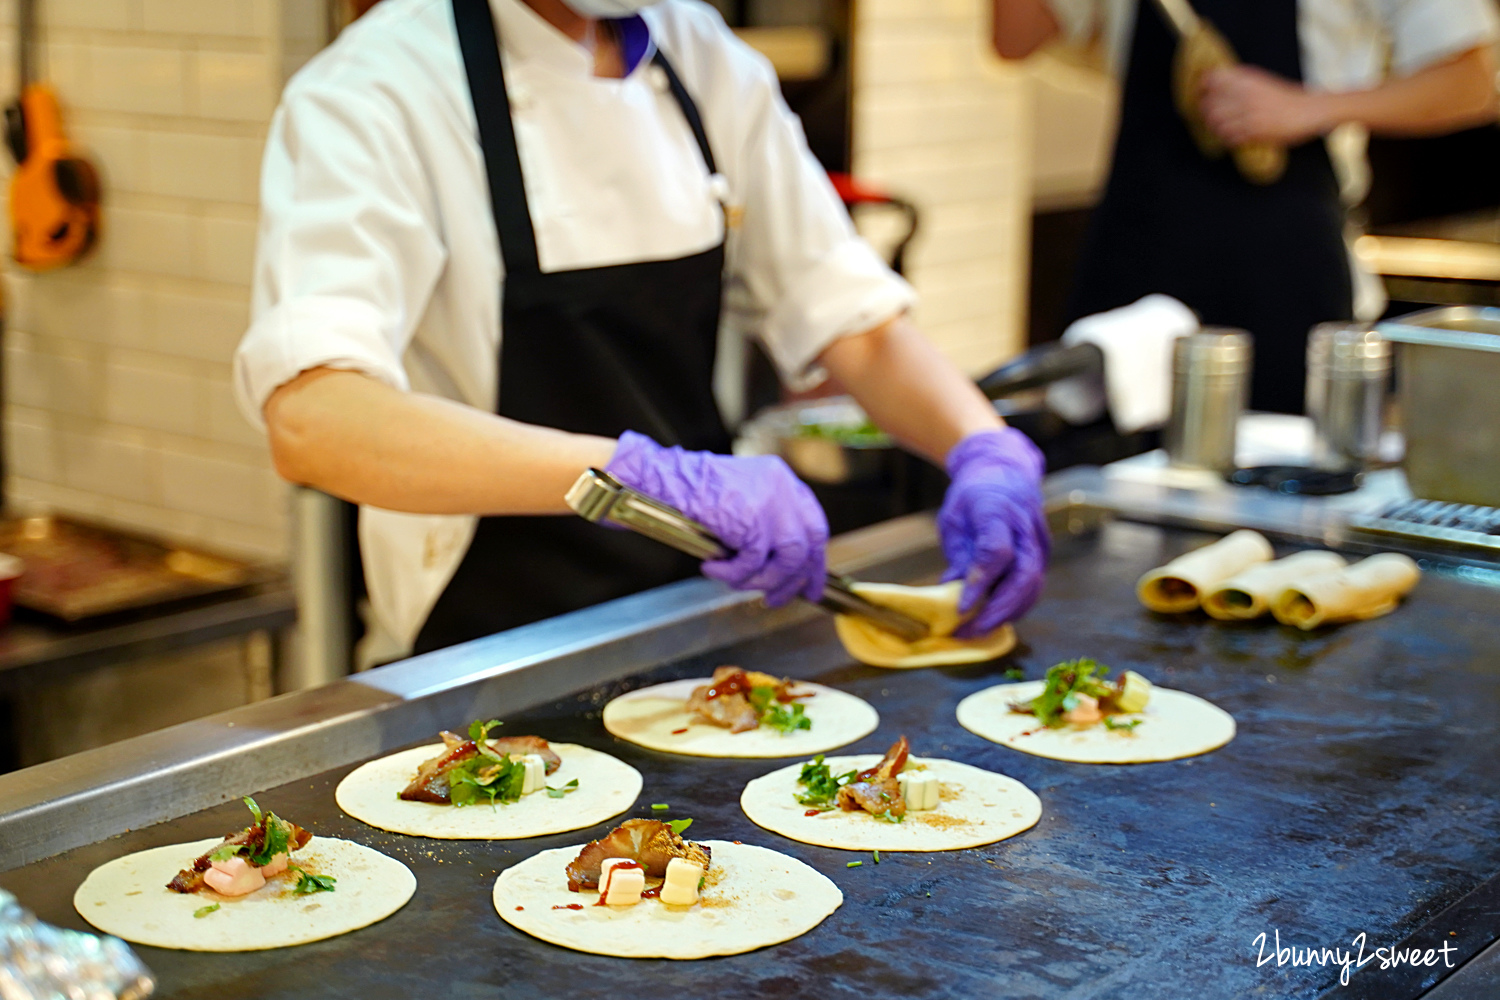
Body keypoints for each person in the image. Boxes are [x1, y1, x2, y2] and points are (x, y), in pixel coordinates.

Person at [234, 0, 1050, 658]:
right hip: (485, 652)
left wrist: (983, 445)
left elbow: (855, 325)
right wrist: (636, 477)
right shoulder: (377, 91)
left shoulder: (704, 57)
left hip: (698, 621)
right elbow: (313, 417)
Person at [993, 0, 1499, 413]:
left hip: (1287, 271)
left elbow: (1474, 81)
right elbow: (1013, 37)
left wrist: (1309, 109)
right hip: (1136, 258)